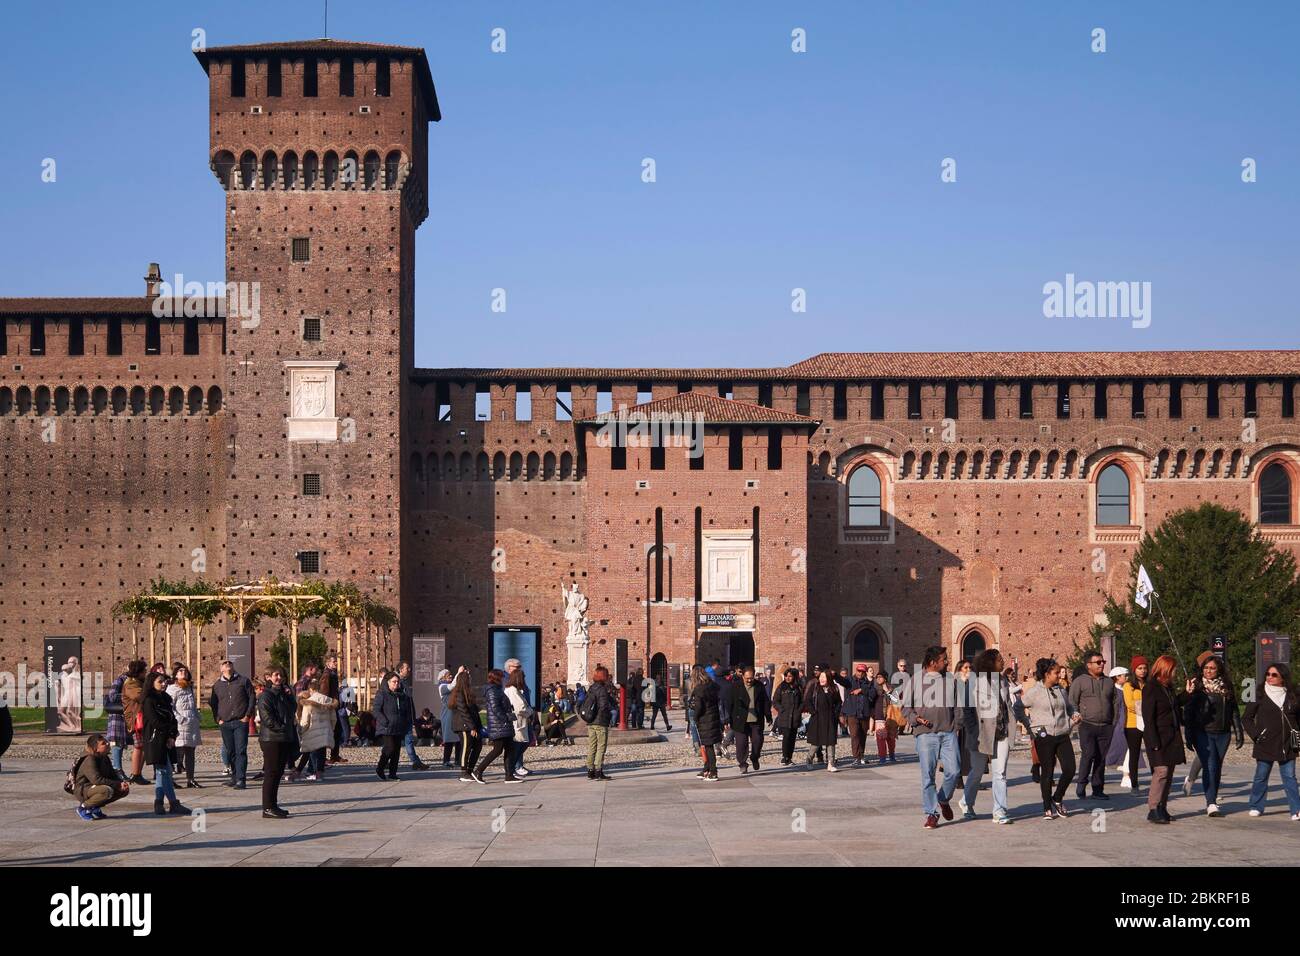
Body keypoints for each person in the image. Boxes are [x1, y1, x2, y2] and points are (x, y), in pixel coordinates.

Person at [904, 646, 961, 827]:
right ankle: (931, 813)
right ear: (932, 663)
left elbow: (959, 706)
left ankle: (943, 799)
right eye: (944, 659)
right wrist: (915, 719)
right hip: (925, 735)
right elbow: (905, 707)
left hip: (948, 732)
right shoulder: (915, 680)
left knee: (954, 771)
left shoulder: (950, 679)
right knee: (928, 776)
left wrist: (957, 725)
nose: (947, 662)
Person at [959, 649, 1015, 823]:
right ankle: (966, 802)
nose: (1003, 661)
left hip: (1002, 731)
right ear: (990, 662)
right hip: (981, 733)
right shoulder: (975, 681)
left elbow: (1007, 705)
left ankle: (999, 811)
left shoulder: (1003, 680)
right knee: (976, 771)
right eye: (999, 659)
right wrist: (973, 731)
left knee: (1000, 773)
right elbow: (967, 709)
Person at [1183, 652, 1243, 817]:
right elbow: (1188, 712)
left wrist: (1238, 732)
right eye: (1206, 668)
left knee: (1217, 767)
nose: (1208, 671)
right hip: (1203, 732)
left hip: (1223, 733)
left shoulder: (1226, 686)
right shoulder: (1197, 686)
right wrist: (1188, 735)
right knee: (1211, 766)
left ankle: (1210, 796)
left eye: (1212, 668)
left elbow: (1234, 710)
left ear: (1219, 670)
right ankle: (1211, 803)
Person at [1021, 658, 1079, 820]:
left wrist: (1074, 714)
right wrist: (1029, 725)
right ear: (1047, 674)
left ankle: (1057, 798)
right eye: (1056, 672)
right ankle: (1047, 806)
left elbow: (1070, 706)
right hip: (1043, 736)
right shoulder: (1034, 692)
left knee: (1070, 769)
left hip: (1062, 733)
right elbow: (1018, 707)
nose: (1060, 675)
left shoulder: (1061, 690)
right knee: (1047, 772)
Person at [1241, 661, 1300, 820]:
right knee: (1261, 776)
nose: (1269, 677)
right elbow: (1246, 718)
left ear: (1283, 677)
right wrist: (1256, 735)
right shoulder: (1258, 693)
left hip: (1288, 743)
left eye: (1274, 674)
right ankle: (1256, 806)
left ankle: (1296, 809)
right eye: (1268, 674)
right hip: (1265, 743)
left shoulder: (1293, 694)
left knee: (1290, 777)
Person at [1141, 654, 1191, 824]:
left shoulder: (1167, 687)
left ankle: (1162, 806)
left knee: (1169, 774)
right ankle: (1153, 808)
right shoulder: (1151, 688)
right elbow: (1148, 718)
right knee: (1161, 772)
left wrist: (1187, 693)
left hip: (1171, 737)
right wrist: (1153, 741)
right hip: (1157, 737)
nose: (1175, 672)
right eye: (1173, 669)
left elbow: (1174, 705)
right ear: (1165, 669)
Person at [1069, 649, 1117, 802]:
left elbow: (1115, 702)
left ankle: (1098, 789)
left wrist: (1113, 722)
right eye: (1098, 662)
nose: (1102, 664)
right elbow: (1072, 702)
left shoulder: (1109, 682)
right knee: (1088, 755)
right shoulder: (1080, 681)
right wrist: (1076, 716)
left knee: (1101, 758)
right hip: (1087, 725)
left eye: (1103, 662)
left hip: (1106, 726)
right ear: (1088, 665)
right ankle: (1081, 784)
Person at [141, 671, 190, 816]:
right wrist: (168, 733)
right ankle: (173, 803)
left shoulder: (166, 698)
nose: (163, 684)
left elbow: (172, 719)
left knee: (163, 773)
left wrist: (172, 735)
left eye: (164, 682)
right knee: (164, 772)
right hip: (155, 739)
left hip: (167, 739)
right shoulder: (149, 700)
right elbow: (154, 721)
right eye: (160, 682)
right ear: (152, 683)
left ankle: (159, 803)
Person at [210, 659, 256, 790]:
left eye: (229, 662)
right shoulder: (217, 685)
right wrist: (218, 719)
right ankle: (235, 776)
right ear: (221, 669)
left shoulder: (243, 681)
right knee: (230, 751)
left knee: (241, 750)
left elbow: (251, 698)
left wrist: (247, 715)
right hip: (225, 723)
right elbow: (213, 703)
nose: (227, 664)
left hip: (240, 721)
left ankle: (241, 779)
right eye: (224, 663)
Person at [256, 667, 296, 818]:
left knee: (278, 773)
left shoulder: (283, 694)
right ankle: (267, 808)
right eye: (275, 675)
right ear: (269, 677)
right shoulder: (266, 695)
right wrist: (282, 728)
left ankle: (273, 805)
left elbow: (292, 710)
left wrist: (291, 696)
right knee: (271, 773)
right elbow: (267, 718)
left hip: (283, 737)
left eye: (281, 675)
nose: (279, 678)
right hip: (271, 738)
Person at [474, 669, 519, 783]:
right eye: (503, 676)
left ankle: (509, 775)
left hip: (503, 724)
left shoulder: (498, 689)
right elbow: (495, 708)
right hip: (498, 725)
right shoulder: (492, 690)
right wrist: (506, 718)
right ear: (497, 678)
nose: (506, 678)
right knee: (497, 750)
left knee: (510, 748)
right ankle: (478, 771)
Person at [71, 734, 130, 820]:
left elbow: (112, 774)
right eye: (103, 743)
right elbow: (97, 780)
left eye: (106, 742)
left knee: (123, 790)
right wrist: (117, 784)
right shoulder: (89, 759)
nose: (107, 744)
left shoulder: (104, 757)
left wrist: (121, 783)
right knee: (106, 791)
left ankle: (94, 807)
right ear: (96, 748)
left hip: (95, 787)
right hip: (83, 789)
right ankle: (83, 808)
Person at [725, 665, 769, 773]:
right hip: (740, 720)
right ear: (742, 676)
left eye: (751, 678)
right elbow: (729, 703)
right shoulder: (735, 686)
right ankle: (743, 763)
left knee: (758, 741)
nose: (749, 680)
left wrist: (768, 715)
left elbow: (765, 701)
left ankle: (754, 757)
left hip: (756, 719)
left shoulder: (759, 686)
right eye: (747, 678)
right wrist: (727, 719)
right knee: (741, 744)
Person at [374, 671, 414, 781]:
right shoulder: (382, 693)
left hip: (398, 727)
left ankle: (393, 773)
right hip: (386, 727)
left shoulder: (401, 695)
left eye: (398, 682)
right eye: (394, 682)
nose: (396, 684)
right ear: (388, 682)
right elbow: (376, 711)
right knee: (389, 748)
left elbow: (405, 710)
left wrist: (406, 722)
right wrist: (385, 721)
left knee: (396, 751)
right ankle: (380, 768)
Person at [167, 665, 202, 789]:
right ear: (176, 674)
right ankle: (170, 779)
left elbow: (192, 705)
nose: (183, 672)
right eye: (180, 671)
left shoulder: (189, 688)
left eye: (185, 671)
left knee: (190, 752)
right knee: (177, 752)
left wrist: (197, 716)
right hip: (180, 724)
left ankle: (190, 779)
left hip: (191, 724)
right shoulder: (172, 689)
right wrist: (179, 719)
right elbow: (170, 707)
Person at [295, 677, 338, 781]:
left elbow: (305, 720)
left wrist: (302, 730)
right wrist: (330, 729)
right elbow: (334, 719)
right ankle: (319, 773)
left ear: (310, 690)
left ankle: (311, 772)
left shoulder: (308, 702)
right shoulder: (329, 701)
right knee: (322, 752)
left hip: (312, 730)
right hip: (325, 730)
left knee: (312, 752)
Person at [805, 668, 843, 772]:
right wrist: (813, 712)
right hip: (817, 717)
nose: (821, 679)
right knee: (816, 741)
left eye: (824, 677)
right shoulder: (815, 687)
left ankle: (831, 763)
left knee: (831, 741)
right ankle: (809, 759)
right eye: (820, 677)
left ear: (829, 678)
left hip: (830, 717)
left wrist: (835, 713)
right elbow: (807, 700)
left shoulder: (834, 688)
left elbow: (839, 702)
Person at [449, 668, 483, 782]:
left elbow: (472, 709)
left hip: (471, 724)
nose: (471, 679)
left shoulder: (467, 692)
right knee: (466, 748)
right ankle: (463, 772)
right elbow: (463, 711)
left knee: (478, 746)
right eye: (469, 678)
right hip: (463, 725)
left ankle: (470, 770)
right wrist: (471, 727)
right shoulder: (459, 693)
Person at [689, 666, 722, 781]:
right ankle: (707, 768)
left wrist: (695, 717)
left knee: (708, 746)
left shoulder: (699, 689)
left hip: (705, 720)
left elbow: (698, 707)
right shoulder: (712, 686)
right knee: (707, 745)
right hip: (713, 717)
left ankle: (713, 771)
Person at [584, 665, 616, 780]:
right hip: (600, 721)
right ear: (604, 676)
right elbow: (603, 706)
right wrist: (608, 716)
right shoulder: (602, 689)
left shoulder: (592, 688)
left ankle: (590, 770)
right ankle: (598, 770)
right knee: (601, 746)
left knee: (592, 746)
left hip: (591, 721)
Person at [1120, 656, 1147, 790]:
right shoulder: (1128, 685)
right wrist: (1148, 708)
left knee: (1153, 752)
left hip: (1148, 723)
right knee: (1134, 755)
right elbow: (1130, 704)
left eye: (1144, 668)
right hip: (1132, 724)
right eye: (1139, 668)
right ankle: (1134, 784)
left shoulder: (1149, 684)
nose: (1142, 671)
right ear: (1134, 670)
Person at [842, 663, 875, 768]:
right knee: (854, 734)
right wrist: (834, 676)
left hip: (864, 713)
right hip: (852, 713)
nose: (860, 673)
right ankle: (856, 757)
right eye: (858, 671)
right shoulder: (850, 681)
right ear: (856, 671)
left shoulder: (868, 683)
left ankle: (861, 756)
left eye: (862, 671)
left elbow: (873, 693)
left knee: (862, 735)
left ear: (865, 673)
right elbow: (842, 681)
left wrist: (861, 690)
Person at [121, 659, 148, 785]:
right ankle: (135, 773)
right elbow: (140, 696)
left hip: (140, 717)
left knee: (142, 746)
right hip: (136, 719)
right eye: (144, 670)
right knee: (138, 746)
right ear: (139, 672)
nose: (146, 672)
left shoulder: (138, 682)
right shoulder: (131, 683)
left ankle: (138, 773)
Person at [504, 668, 535, 777]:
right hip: (517, 722)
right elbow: (520, 708)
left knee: (523, 744)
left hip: (521, 722)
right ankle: (511, 770)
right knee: (518, 746)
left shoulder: (515, 690)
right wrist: (530, 711)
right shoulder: (512, 690)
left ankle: (512, 769)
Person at [771, 667, 803, 766]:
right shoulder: (781, 687)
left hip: (795, 716)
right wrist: (781, 709)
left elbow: (803, 701)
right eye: (786, 676)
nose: (787, 678)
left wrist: (799, 710)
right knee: (786, 737)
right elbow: (775, 700)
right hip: (784, 716)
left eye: (790, 676)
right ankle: (784, 757)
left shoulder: (799, 688)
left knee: (792, 738)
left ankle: (789, 757)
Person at [102, 668, 129, 780]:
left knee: (121, 743)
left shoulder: (132, 681)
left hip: (126, 716)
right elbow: (112, 696)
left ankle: (118, 769)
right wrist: (127, 696)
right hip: (117, 716)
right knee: (116, 743)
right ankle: (117, 769)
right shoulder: (119, 681)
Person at [323, 653, 349, 765]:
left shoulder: (332, 674)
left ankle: (334, 755)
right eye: (334, 661)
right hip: (330, 707)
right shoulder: (327, 675)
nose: (336, 663)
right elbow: (325, 692)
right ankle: (324, 757)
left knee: (337, 731)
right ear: (328, 663)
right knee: (328, 731)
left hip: (335, 706)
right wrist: (328, 705)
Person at [871, 671, 899, 763]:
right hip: (879, 716)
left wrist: (887, 691)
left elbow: (896, 700)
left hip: (891, 716)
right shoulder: (874, 689)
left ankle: (892, 755)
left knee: (891, 738)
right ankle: (882, 757)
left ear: (885, 678)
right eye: (877, 677)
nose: (878, 678)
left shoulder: (892, 688)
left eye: (880, 677)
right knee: (880, 739)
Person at [436, 669, 460, 768]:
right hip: (448, 715)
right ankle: (446, 760)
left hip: (456, 713)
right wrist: (458, 672)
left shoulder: (451, 685)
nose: (451, 676)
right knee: (449, 739)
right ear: (442, 677)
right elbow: (452, 686)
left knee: (459, 739)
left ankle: (458, 760)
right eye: (448, 675)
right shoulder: (442, 686)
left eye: (451, 674)